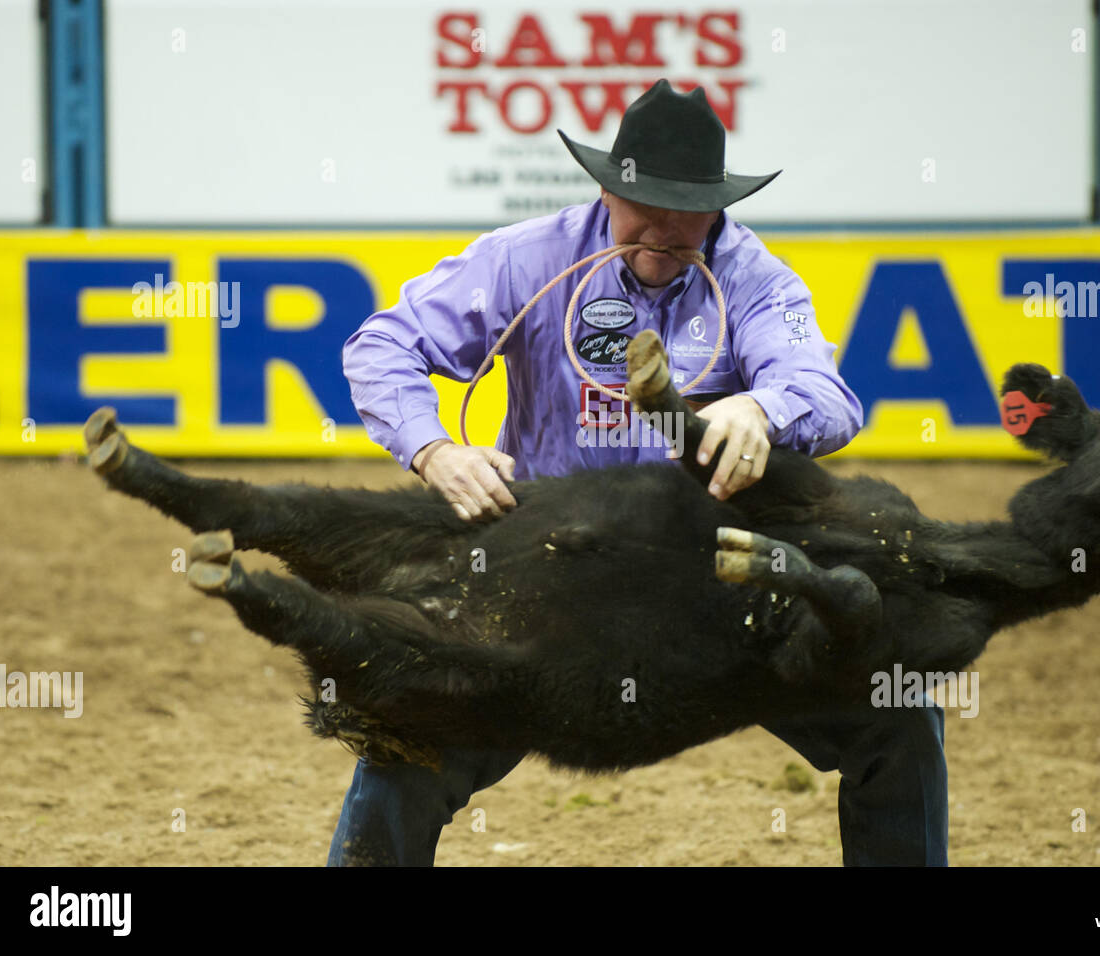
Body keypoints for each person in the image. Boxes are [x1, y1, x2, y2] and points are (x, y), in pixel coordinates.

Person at [336, 79, 947, 866]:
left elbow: (827, 395)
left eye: (685, 208)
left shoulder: (756, 279)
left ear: (719, 206)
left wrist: (762, 412)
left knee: (895, 714)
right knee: (410, 741)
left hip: (713, 575)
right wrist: (435, 451)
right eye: (643, 204)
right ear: (606, 187)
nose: (662, 228)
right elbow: (383, 345)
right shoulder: (529, 259)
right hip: (552, 567)